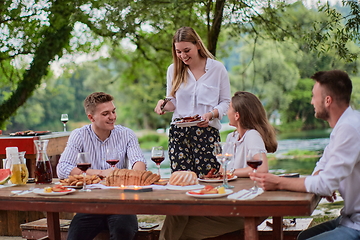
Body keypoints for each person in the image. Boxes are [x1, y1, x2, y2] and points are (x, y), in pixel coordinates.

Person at [251, 70, 360, 240]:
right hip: (348, 218)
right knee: (302, 237)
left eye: (313, 96)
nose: (311, 102)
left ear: (327, 100)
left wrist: (278, 182)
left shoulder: (349, 128)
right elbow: (322, 165)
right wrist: (320, 180)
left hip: (357, 225)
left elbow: (324, 185)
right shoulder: (343, 125)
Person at [159, 91, 278, 240]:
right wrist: (214, 176)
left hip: (247, 207)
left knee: (179, 231)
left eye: (229, 108)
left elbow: (261, 169)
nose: (226, 112)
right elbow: (223, 170)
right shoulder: (231, 137)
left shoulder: (252, 135)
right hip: (230, 202)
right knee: (177, 214)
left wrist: (231, 172)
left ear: (237, 115)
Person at [57, 92, 147, 240]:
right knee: (74, 236)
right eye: (106, 113)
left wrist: (131, 175)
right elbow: (63, 168)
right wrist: (100, 173)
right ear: (91, 117)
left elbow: (139, 163)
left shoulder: (127, 134)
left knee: (122, 232)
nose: (112, 117)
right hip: (91, 204)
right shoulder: (79, 135)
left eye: (113, 111)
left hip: (121, 203)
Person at [154, 26, 231, 177]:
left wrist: (210, 114)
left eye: (186, 50)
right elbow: (173, 103)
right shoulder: (173, 70)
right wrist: (162, 104)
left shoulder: (217, 68)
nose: (182, 55)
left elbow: (225, 102)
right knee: (182, 180)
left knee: (209, 179)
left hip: (207, 132)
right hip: (179, 134)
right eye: (178, 51)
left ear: (197, 44)